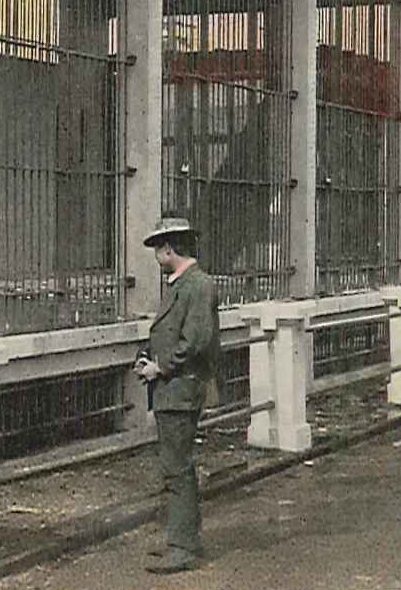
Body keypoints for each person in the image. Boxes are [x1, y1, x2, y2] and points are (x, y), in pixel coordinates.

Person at [134, 213, 221, 575]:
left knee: (177, 469)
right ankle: (184, 540)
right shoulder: (181, 284)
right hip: (173, 387)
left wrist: (161, 368)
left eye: (158, 248)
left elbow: (196, 341)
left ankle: (182, 547)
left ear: (169, 249)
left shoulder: (197, 285)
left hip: (181, 388)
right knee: (176, 466)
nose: (156, 256)